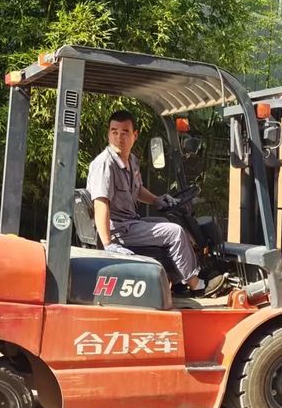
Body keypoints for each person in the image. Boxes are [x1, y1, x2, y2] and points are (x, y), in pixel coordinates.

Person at [86, 109, 220, 294]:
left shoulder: (131, 160)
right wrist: (108, 244)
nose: (119, 137)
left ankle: (177, 282)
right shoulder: (105, 164)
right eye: (114, 132)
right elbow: (101, 204)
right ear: (108, 133)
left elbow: (138, 189)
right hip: (118, 230)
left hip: (130, 223)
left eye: (124, 132)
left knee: (164, 222)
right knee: (175, 232)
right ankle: (196, 284)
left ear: (135, 135)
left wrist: (157, 199)